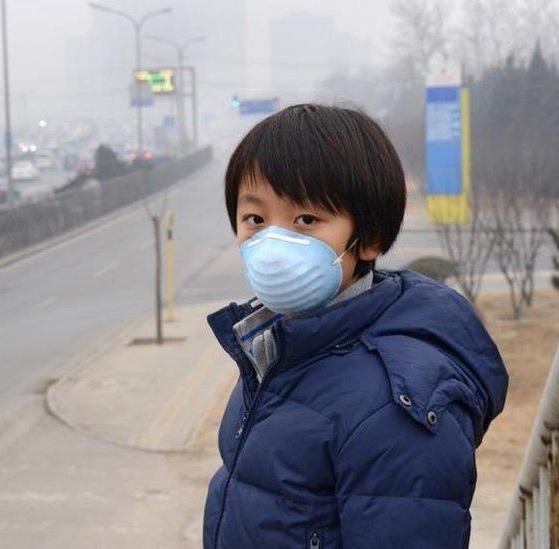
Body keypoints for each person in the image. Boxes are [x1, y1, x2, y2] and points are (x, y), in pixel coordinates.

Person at [202, 104, 508, 548]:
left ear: (370, 238)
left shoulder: (394, 405)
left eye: (305, 220)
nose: (272, 242)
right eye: (255, 219)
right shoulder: (278, 347)